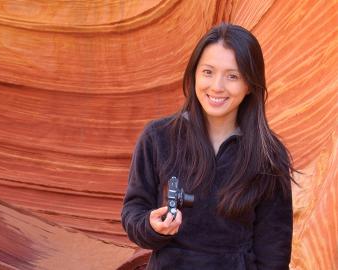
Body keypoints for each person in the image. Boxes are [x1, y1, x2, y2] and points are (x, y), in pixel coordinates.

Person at [121, 23, 294, 270]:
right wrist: (151, 227)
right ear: (194, 75)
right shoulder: (158, 137)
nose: (217, 87)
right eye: (208, 72)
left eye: (232, 76)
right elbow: (133, 212)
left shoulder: (269, 154)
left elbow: (274, 252)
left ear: (249, 85)